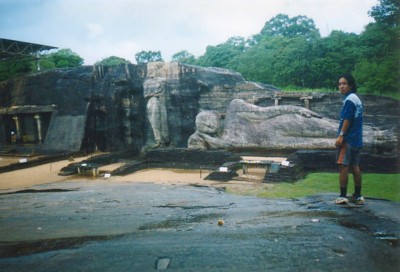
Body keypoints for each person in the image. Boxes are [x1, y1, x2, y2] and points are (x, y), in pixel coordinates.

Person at [334, 74, 365, 205]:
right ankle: (358, 196)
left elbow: (347, 119)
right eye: (340, 84)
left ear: (350, 85)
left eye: (344, 83)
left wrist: (341, 135)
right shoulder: (356, 99)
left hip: (348, 139)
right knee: (355, 166)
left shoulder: (349, 100)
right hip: (357, 139)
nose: (341, 86)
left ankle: (342, 196)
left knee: (343, 166)